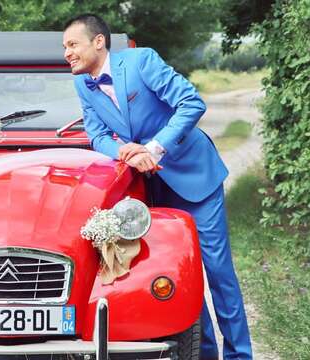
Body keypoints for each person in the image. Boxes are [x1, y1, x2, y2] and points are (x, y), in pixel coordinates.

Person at [63, 14, 252, 360]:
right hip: (151, 186)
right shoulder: (82, 84)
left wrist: (153, 148)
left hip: (194, 176)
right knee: (184, 273)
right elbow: (97, 136)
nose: (67, 53)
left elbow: (191, 103)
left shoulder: (141, 61)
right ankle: (205, 353)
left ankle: (240, 355)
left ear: (98, 42)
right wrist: (126, 153)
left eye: (73, 44)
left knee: (217, 270)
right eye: (65, 48)